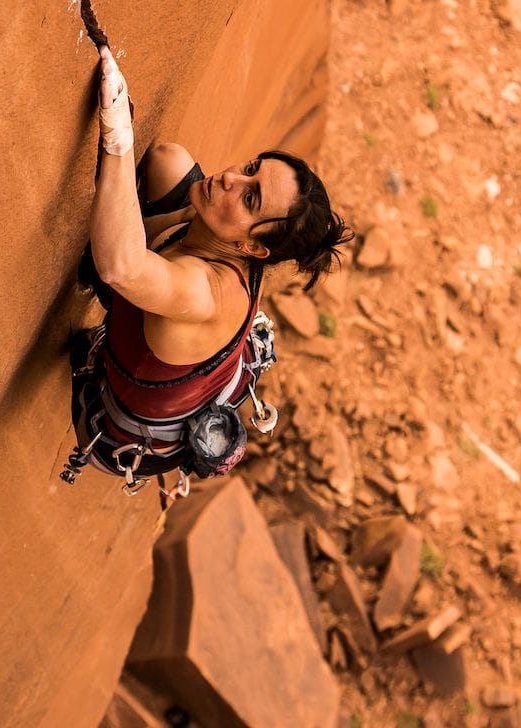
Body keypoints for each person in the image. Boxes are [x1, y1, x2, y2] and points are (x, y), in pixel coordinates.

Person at [63, 45, 352, 496]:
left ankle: (100, 290)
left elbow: (122, 267)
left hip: (109, 425)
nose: (232, 180)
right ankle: (109, 252)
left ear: (252, 247)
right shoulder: (227, 232)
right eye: (253, 168)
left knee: (118, 259)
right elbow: (165, 178)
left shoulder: (205, 294)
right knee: (169, 162)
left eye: (251, 198)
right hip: (165, 284)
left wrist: (118, 137)